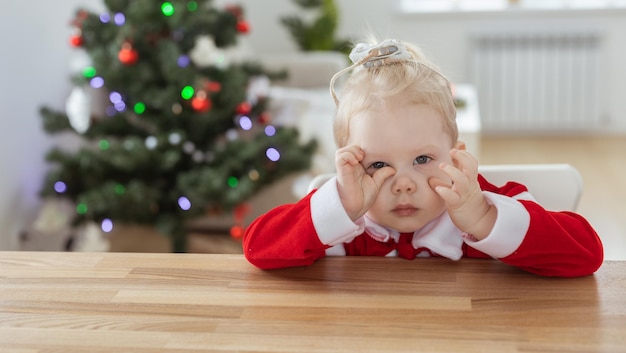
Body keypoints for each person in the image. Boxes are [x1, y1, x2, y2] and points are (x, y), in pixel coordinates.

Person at [243, 38, 604, 277]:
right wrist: (342, 206)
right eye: (378, 165)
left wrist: (481, 216)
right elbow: (257, 248)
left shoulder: (485, 203)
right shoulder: (346, 216)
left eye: (421, 160)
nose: (403, 185)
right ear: (351, 164)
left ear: (456, 156)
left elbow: (587, 253)